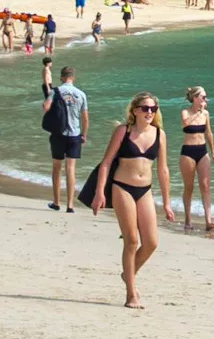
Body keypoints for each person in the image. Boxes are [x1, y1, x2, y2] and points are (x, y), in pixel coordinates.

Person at [87, 93, 172, 310]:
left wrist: (167, 202)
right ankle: (131, 294)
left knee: (152, 242)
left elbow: (163, 170)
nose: (149, 112)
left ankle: (128, 274)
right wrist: (99, 193)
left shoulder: (160, 134)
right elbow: (106, 163)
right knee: (132, 241)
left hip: (145, 191)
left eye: (153, 108)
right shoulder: (123, 131)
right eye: (145, 108)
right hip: (122, 187)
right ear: (134, 110)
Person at [176, 86, 214, 234]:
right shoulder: (185, 112)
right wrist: (199, 112)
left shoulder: (206, 114)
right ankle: (188, 219)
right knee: (189, 187)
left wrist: (213, 152)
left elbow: (209, 133)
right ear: (194, 98)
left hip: (202, 151)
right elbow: (185, 123)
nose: (205, 100)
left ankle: (208, 220)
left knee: (205, 185)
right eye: (202, 97)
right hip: (188, 152)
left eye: (205, 97)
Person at [44, 66, 89, 209]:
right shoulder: (81, 94)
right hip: (75, 134)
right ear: (73, 78)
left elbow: (46, 107)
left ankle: (56, 202)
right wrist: (84, 134)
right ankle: (70, 205)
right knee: (71, 169)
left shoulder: (55, 92)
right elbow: (85, 118)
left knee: (56, 168)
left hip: (58, 134)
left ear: (62, 77)